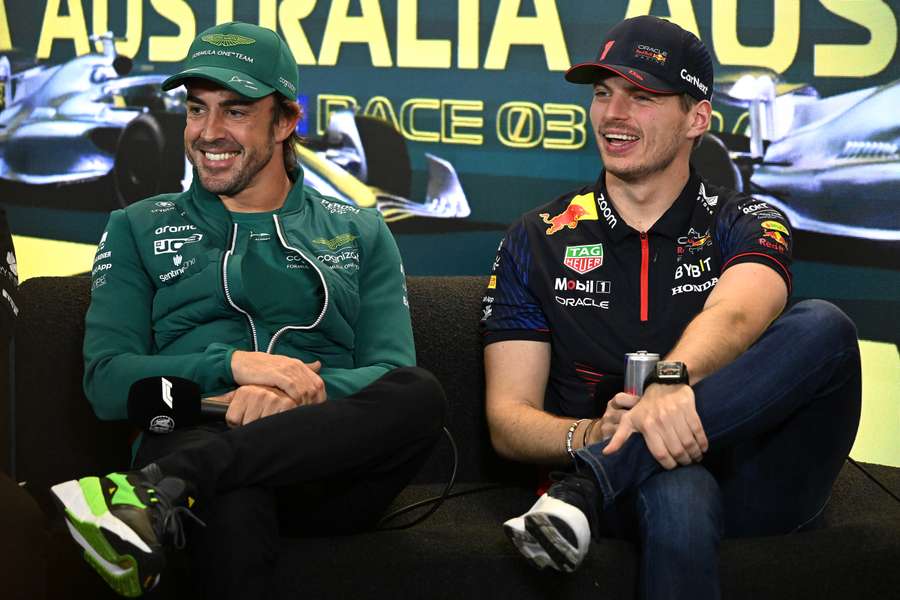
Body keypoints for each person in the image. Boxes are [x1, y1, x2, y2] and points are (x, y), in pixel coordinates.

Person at [51, 21, 445, 599]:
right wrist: (235, 366)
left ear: (286, 121)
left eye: (235, 111)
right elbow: (107, 381)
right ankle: (185, 478)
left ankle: (163, 488)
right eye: (195, 109)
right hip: (189, 429)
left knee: (421, 393)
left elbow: (389, 373)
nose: (208, 132)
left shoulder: (361, 230)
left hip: (325, 465)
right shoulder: (136, 226)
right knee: (232, 494)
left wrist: (291, 393)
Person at [481, 15, 861, 599]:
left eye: (642, 96)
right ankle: (617, 467)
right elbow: (509, 419)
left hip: (754, 482)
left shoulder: (747, 220)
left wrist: (665, 386)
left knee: (826, 327)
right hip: (627, 488)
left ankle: (587, 487)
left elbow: (737, 314)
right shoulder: (536, 239)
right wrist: (589, 433)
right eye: (603, 94)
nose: (613, 114)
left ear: (697, 118)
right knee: (676, 483)